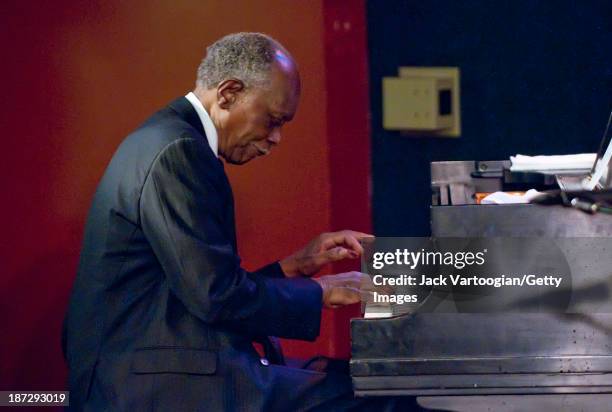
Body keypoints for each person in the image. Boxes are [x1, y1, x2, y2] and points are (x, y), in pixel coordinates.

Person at [62, 32, 424, 411]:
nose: (276, 139)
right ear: (228, 92)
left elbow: (203, 290)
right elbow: (216, 297)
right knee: (383, 397)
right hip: (153, 384)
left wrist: (295, 266)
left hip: (161, 369)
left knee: (353, 383)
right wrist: (325, 290)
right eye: (272, 121)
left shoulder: (167, 140)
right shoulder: (178, 151)